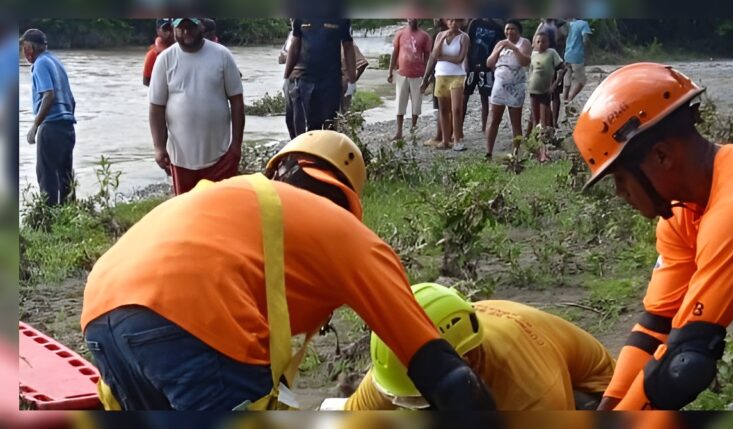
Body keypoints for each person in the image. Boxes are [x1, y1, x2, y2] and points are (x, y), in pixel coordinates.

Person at [80, 130, 496, 411]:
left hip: (100, 308)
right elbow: (437, 365)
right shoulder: (347, 234)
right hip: (196, 315)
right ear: (346, 201)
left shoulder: (230, 199)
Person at [572, 63, 733, 410]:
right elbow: (656, 326)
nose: (620, 193)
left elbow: (686, 360)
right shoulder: (683, 214)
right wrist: (611, 403)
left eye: (620, 178)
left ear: (662, 156)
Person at [321, 283, 614, 410]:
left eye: (423, 401)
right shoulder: (396, 369)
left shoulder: (532, 389)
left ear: (470, 360)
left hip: (595, 399)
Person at [149, 18, 244, 196]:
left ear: (201, 25)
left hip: (221, 156)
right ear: (174, 29)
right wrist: (159, 148)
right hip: (180, 159)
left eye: (191, 27)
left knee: (221, 206)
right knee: (187, 209)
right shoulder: (164, 60)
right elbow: (156, 107)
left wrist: (236, 146)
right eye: (181, 28)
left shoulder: (222, 55)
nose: (186, 33)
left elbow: (237, 101)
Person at [20, 28, 77, 206]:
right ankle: (69, 214)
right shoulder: (56, 62)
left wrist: (35, 126)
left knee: (47, 176)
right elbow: (72, 100)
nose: (23, 52)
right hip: (68, 127)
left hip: (51, 127)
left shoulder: (40, 64)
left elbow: (49, 95)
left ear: (30, 49)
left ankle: (49, 218)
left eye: (24, 47)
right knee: (66, 177)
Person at [283, 19, 356, 139]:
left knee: (329, 124)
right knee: (305, 124)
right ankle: (305, 149)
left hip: (331, 81)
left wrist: (352, 80)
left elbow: (348, 46)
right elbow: (295, 45)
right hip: (305, 80)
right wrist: (286, 76)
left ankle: (325, 149)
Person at [484, 20, 531, 161]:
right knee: (494, 118)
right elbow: (489, 63)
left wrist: (514, 48)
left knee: (515, 121)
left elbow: (525, 62)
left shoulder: (524, 43)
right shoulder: (500, 43)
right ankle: (488, 152)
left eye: (512, 29)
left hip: (516, 85)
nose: (509, 31)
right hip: (500, 84)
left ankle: (515, 154)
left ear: (518, 31)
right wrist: (499, 50)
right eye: (507, 29)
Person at [421, 19, 468, 151]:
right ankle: (445, 140)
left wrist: (441, 57)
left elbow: (459, 58)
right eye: (451, 20)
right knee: (443, 109)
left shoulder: (464, 37)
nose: (454, 23)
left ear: (461, 23)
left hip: (457, 75)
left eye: (457, 21)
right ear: (447, 22)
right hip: (441, 74)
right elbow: (434, 55)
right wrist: (442, 39)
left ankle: (457, 139)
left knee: (456, 109)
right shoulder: (440, 35)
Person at [388, 19, 431, 141]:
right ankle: (399, 132)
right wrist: (390, 71)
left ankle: (413, 129)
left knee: (416, 104)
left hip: (418, 75)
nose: (413, 18)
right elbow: (395, 53)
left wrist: (428, 76)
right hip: (402, 74)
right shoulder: (400, 34)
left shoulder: (424, 36)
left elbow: (427, 57)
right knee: (400, 103)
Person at [461, 18, 504, 135]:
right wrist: (465, 61)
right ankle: (459, 128)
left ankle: (486, 128)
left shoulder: (497, 26)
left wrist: (495, 64)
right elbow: (468, 43)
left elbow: (498, 47)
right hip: (472, 64)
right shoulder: (475, 22)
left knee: (485, 98)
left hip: (487, 67)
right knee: (464, 96)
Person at [526, 32, 564, 152]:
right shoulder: (533, 54)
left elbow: (563, 68)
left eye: (543, 41)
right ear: (534, 43)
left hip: (545, 91)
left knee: (544, 119)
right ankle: (534, 143)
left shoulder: (551, 53)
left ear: (548, 43)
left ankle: (546, 143)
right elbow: (531, 70)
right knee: (534, 117)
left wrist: (555, 84)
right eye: (538, 42)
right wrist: (529, 82)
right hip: (533, 90)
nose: (540, 44)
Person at [563, 18, 591, 105]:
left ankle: (564, 99)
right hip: (577, 56)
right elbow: (585, 40)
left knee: (567, 79)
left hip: (567, 54)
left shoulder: (570, 24)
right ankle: (570, 99)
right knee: (582, 80)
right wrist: (587, 54)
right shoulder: (584, 24)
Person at [142, 18, 174, 87]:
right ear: (158, 31)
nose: (169, 33)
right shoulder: (152, 55)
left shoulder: (185, 49)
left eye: (171, 29)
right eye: (165, 29)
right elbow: (146, 81)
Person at [340, 42, 368, 114]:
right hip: (333, 83)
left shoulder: (348, 44)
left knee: (341, 111)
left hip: (343, 83)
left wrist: (353, 80)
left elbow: (363, 64)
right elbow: (362, 64)